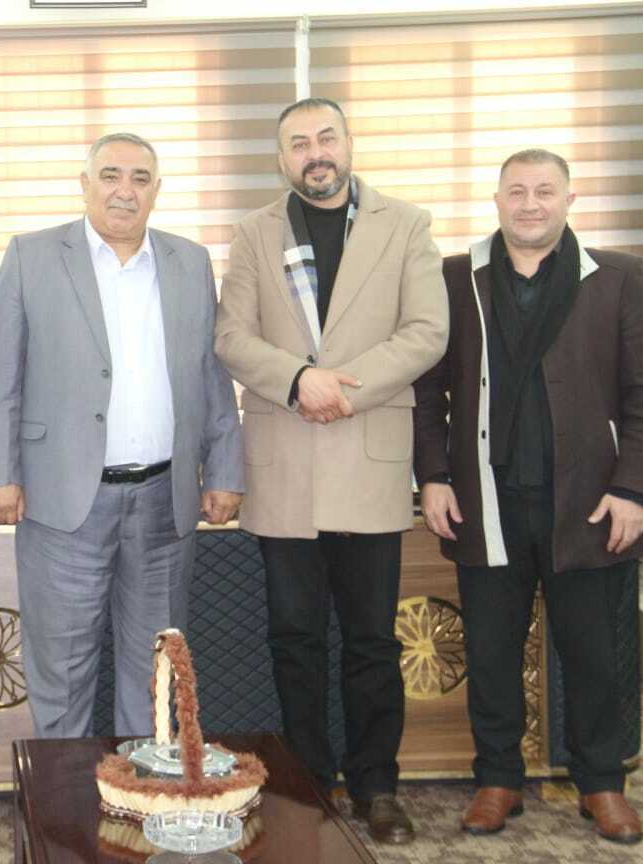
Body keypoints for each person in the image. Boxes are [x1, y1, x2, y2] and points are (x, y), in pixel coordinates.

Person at [413, 149, 643, 844]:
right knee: (490, 652)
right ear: (497, 200)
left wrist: (632, 489)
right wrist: (433, 475)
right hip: (486, 503)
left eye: (545, 191)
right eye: (517, 191)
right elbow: (426, 390)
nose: (531, 204)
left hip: (590, 506)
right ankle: (498, 779)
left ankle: (602, 783)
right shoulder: (455, 278)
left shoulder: (615, 278)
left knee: (594, 655)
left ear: (569, 200)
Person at [214, 97, 449, 844]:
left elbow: (428, 331)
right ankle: (307, 782)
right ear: (281, 158)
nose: (314, 153)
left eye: (325, 137)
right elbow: (231, 337)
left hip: (368, 458)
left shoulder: (405, 225)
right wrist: (296, 381)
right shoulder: (254, 233)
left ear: (348, 143)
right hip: (285, 465)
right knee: (294, 640)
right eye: (298, 143)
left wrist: (342, 390)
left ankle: (378, 786)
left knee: (373, 641)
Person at [0, 132, 244, 739]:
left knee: (155, 670)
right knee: (62, 669)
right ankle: (61, 796)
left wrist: (225, 469)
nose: (125, 190)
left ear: (156, 190)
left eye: (140, 178)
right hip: (62, 500)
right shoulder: (31, 256)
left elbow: (211, 373)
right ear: (85, 184)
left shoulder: (190, 262)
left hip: (164, 502)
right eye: (111, 175)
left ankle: (139, 788)